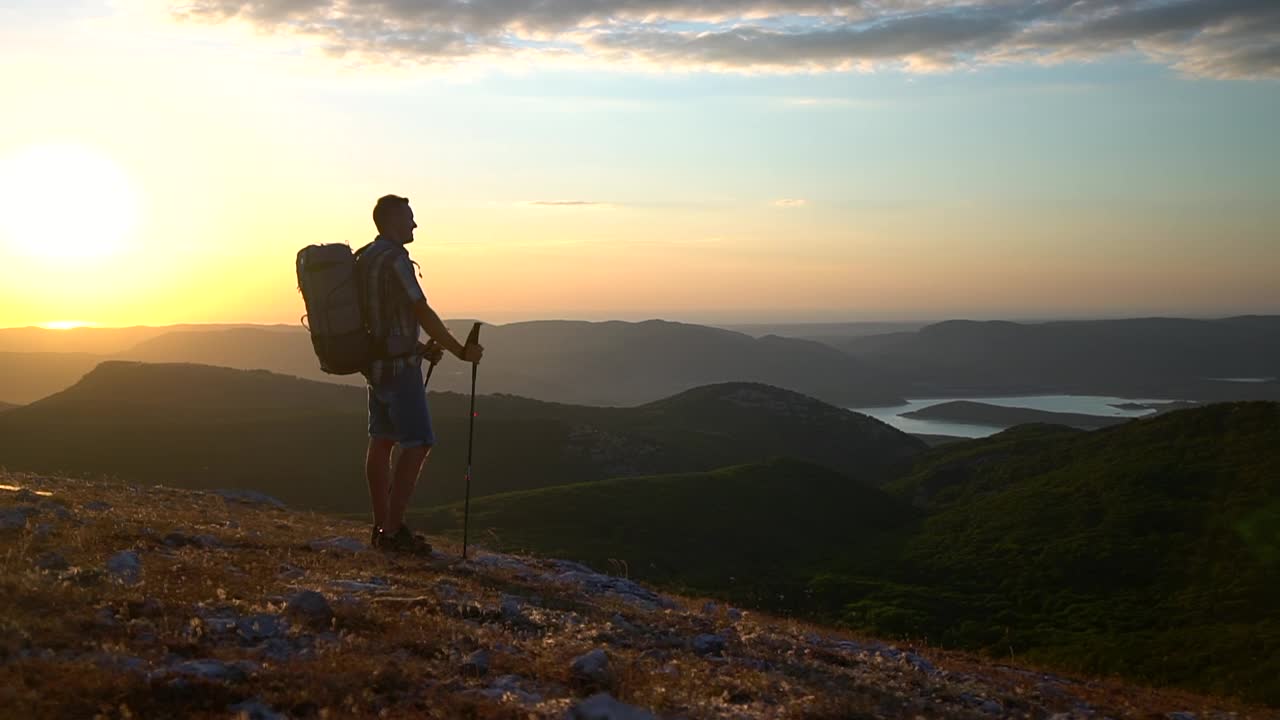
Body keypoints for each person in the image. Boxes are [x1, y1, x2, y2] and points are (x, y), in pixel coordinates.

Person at [358, 194, 483, 553]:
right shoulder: (397, 260)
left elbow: (379, 320)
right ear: (393, 221)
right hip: (399, 371)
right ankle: (394, 532)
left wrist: (416, 347)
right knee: (419, 442)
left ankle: (380, 526)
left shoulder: (365, 258)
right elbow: (421, 310)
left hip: (375, 365)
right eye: (409, 218)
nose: (414, 225)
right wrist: (461, 350)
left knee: (381, 440)